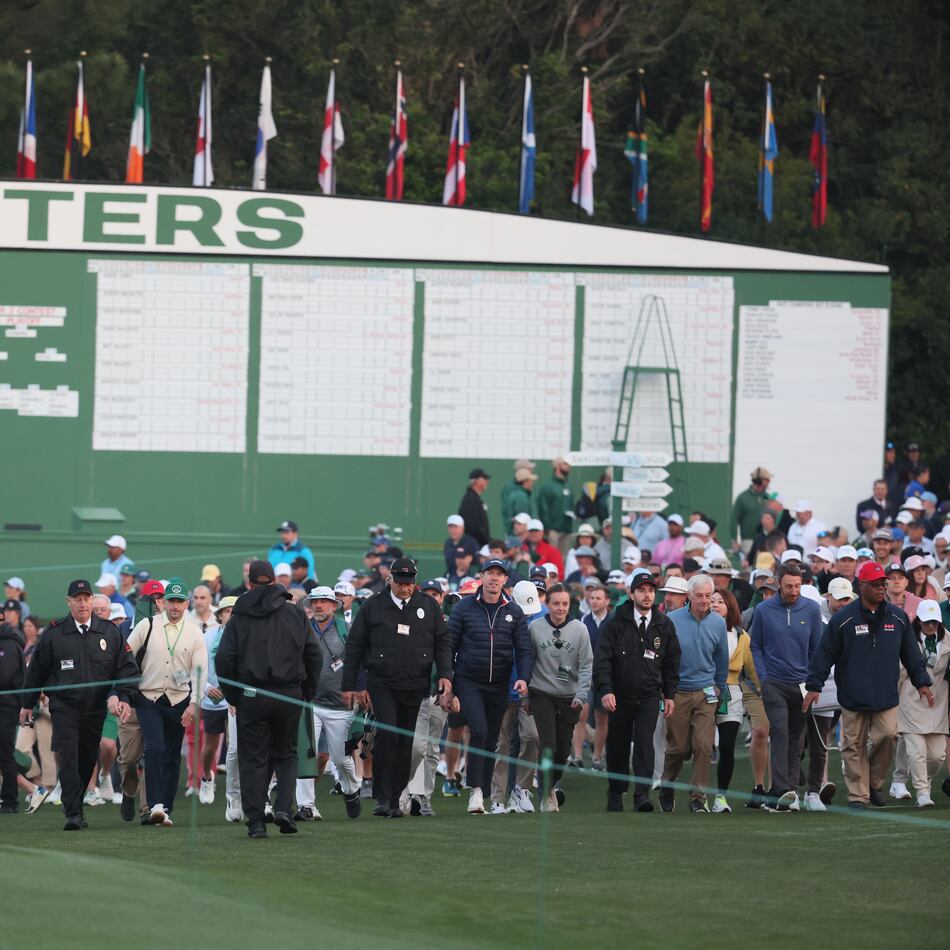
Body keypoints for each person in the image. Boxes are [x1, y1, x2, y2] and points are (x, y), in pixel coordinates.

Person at [804, 561, 934, 809]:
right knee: (853, 745)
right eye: (875, 584)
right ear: (862, 585)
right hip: (852, 693)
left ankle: (873, 782)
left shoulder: (898, 617)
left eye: (883, 583)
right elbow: (824, 654)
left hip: (886, 692)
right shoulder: (843, 619)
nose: (881, 588)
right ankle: (858, 795)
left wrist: (922, 682)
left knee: (888, 736)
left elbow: (911, 653)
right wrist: (814, 685)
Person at [20, 579, 138, 831]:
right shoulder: (54, 634)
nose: (82, 603)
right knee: (68, 757)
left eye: (86, 598)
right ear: (69, 602)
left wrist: (124, 696)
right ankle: (73, 813)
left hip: (95, 708)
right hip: (64, 706)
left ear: (92, 600)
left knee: (86, 760)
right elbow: (36, 671)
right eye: (77, 599)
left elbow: (126, 669)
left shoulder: (109, 632)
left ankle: (75, 802)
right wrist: (27, 703)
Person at [216, 560, 322, 838]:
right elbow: (314, 654)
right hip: (289, 693)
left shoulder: (239, 617)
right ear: (274, 581)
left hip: (252, 694)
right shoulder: (295, 614)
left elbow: (224, 658)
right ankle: (284, 808)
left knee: (253, 758)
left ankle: (256, 821)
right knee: (286, 754)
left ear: (250, 583)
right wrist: (307, 692)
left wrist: (233, 695)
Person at [342, 557, 453, 818]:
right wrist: (352, 685)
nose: (405, 588)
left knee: (406, 741)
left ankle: (395, 798)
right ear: (390, 579)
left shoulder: (428, 606)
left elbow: (442, 642)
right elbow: (355, 646)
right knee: (388, 735)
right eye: (401, 582)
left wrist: (445, 675)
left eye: (409, 582)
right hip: (382, 682)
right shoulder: (373, 606)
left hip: (415, 683)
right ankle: (383, 796)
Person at [448, 558, 532, 815]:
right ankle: (475, 790)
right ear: (481, 576)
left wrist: (523, 677)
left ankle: (482, 791)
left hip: (500, 683)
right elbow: (449, 645)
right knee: (479, 731)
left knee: (491, 738)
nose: (494, 578)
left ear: (505, 579)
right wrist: (446, 680)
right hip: (469, 680)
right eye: (490, 573)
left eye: (499, 574)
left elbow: (524, 648)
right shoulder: (464, 607)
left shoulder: (514, 610)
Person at [595, 569, 680, 812]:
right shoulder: (615, 623)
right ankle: (615, 792)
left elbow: (671, 662)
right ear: (631, 594)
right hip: (619, 696)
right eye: (641, 590)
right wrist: (605, 690)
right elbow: (602, 660)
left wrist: (670, 694)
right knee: (618, 745)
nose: (647, 595)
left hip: (649, 695)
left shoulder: (664, 625)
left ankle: (642, 795)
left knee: (645, 744)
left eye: (651, 590)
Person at [126, 577, 208, 827]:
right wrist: (123, 692)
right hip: (148, 697)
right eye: (170, 601)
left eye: (179, 602)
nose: (174, 606)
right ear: (163, 603)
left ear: (186, 604)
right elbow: (126, 655)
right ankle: (155, 805)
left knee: (172, 756)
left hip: (179, 700)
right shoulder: (146, 625)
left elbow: (200, 672)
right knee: (155, 748)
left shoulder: (194, 633)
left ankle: (165, 807)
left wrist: (195, 703)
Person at [748, 564, 823, 812]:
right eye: (789, 586)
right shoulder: (763, 610)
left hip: (802, 685)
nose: (794, 591)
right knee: (780, 731)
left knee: (797, 738)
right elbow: (756, 645)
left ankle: (790, 791)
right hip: (775, 684)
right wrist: (764, 678)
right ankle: (781, 789)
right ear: (779, 584)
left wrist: (812, 682)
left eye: (798, 586)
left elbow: (816, 648)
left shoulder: (812, 609)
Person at [659, 574, 728, 813]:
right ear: (689, 596)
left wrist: (720, 690)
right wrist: (665, 690)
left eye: (708, 596)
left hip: (707, 691)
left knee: (704, 746)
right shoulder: (672, 620)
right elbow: (663, 658)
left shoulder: (718, 623)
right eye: (699, 595)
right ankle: (667, 785)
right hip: (677, 692)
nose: (704, 600)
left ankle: (697, 797)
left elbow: (721, 659)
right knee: (678, 748)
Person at [294, 587, 362, 821]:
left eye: (324, 601)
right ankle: (306, 806)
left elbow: (358, 661)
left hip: (340, 704)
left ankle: (351, 789)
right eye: (315, 601)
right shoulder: (302, 629)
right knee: (306, 755)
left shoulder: (347, 629)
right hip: (310, 703)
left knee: (340, 758)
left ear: (334, 606)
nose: (318, 605)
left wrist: (357, 689)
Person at [526, 584, 593, 813]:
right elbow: (528, 662)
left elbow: (586, 665)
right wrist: (525, 696)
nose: (561, 608)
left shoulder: (580, 629)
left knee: (563, 750)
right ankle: (545, 794)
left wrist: (581, 695)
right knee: (548, 744)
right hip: (541, 692)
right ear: (547, 604)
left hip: (569, 696)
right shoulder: (535, 627)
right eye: (556, 603)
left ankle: (551, 784)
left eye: (565, 604)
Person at [708, 589, 763, 813]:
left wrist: (763, 690)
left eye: (720, 601)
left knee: (727, 746)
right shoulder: (701, 630)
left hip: (731, 692)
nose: (714, 604)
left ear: (730, 606)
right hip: (704, 691)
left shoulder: (742, 636)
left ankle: (721, 797)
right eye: (711, 600)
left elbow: (752, 670)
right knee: (700, 747)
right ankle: (698, 796)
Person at [895, 600, 948, 808]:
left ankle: (925, 781)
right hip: (910, 700)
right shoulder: (907, 641)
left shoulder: (948, 641)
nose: (931, 625)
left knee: (937, 756)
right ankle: (922, 793)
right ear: (918, 621)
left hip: (938, 704)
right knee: (916, 752)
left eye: (935, 621)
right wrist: (892, 701)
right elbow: (899, 673)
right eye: (927, 621)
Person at [197, 595, 237, 807]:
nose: (232, 615)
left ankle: (237, 789)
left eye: (235, 611)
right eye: (228, 611)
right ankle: (206, 778)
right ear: (220, 616)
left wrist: (235, 693)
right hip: (212, 698)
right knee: (210, 746)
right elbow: (197, 667)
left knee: (237, 746)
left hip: (235, 700)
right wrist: (206, 688)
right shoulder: (207, 637)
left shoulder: (246, 637)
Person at [581, 583, 612, 769]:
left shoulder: (614, 621)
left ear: (607, 601)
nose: (594, 601)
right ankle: (576, 757)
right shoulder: (583, 620)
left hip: (606, 676)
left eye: (598, 598)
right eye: (592, 598)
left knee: (602, 717)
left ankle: (597, 758)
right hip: (585, 675)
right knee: (581, 715)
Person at [0, 606, 25, 813]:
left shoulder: (7, 644)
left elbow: (4, 676)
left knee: (5, 753)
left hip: (6, 707)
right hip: (5, 705)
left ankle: (9, 801)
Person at [537, 457, 574, 552]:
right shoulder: (547, 487)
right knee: (552, 556)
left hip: (567, 530)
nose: (568, 466)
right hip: (553, 531)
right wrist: (548, 529)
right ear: (557, 466)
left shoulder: (569, 485)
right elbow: (543, 509)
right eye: (565, 464)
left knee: (564, 558)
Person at [732, 466, 773, 554]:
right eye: (766, 480)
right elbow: (734, 520)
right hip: (748, 541)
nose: (769, 482)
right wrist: (734, 540)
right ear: (758, 480)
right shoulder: (742, 498)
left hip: (766, 539)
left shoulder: (768, 498)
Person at [459, 468, 491, 546]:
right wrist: (487, 541)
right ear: (476, 480)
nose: (487, 481)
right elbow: (474, 526)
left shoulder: (475, 498)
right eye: (484, 478)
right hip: (475, 546)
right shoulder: (470, 499)